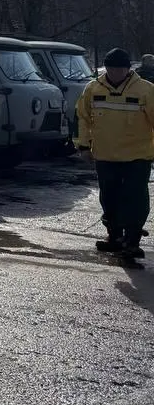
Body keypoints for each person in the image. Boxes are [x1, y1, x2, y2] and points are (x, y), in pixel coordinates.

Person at [76, 47, 154, 266]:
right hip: (105, 154)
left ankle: (132, 240)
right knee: (109, 197)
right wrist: (83, 146)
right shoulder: (92, 89)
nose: (115, 73)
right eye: (111, 68)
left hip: (137, 156)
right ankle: (114, 235)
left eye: (120, 69)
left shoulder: (146, 90)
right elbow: (83, 118)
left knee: (135, 198)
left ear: (128, 69)